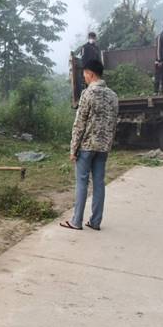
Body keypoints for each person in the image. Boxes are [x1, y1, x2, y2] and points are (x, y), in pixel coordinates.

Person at [61, 59, 119, 231]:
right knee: (99, 183)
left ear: (91, 74)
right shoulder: (113, 96)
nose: (84, 77)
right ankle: (95, 222)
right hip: (103, 147)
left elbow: (79, 124)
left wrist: (73, 149)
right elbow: (113, 123)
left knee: (82, 182)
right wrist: (108, 144)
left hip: (87, 146)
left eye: (85, 74)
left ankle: (76, 221)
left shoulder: (87, 94)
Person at [76, 32, 102, 100]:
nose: (92, 39)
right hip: (88, 68)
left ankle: (96, 97)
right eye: (91, 38)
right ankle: (89, 98)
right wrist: (85, 69)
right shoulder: (85, 47)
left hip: (95, 69)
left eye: (93, 38)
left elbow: (98, 58)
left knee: (96, 84)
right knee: (88, 84)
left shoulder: (96, 48)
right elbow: (83, 58)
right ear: (88, 38)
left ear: (95, 38)